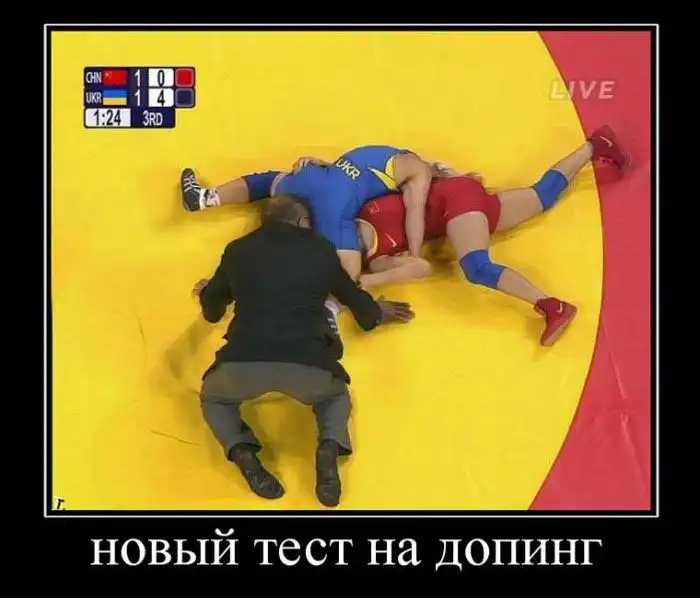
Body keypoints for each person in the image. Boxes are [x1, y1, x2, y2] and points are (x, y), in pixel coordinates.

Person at [193, 194, 415, 507]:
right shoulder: (319, 249)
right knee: (334, 397)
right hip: (308, 364)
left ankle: (242, 451)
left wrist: (209, 298)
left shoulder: (237, 250)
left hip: (242, 362)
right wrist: (375, 314)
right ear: (303, 222)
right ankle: (329, 445)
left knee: (214, 398)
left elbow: (213, 308)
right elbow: (351, 296)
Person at [352, 125, 630, 346]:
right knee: (541, 196)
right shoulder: (375, 260)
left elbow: (403, 172)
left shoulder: (358, 209)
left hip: (454, 202)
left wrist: (442, 172)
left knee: (476, 267)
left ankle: (550, 305)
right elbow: (420, 268)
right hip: (461, 203)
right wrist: (362, 283)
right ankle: (594, 145)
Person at [180, 145, 434, 283]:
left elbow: (347, 170)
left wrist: (320, 163)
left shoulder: (384, 152)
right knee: (349, 278)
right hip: (335, 205)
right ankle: (329, 308)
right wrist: (414, 252)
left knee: (270, 181)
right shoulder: (420, 171)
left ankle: (205, 197)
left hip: (311, 177)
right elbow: (415, 211)